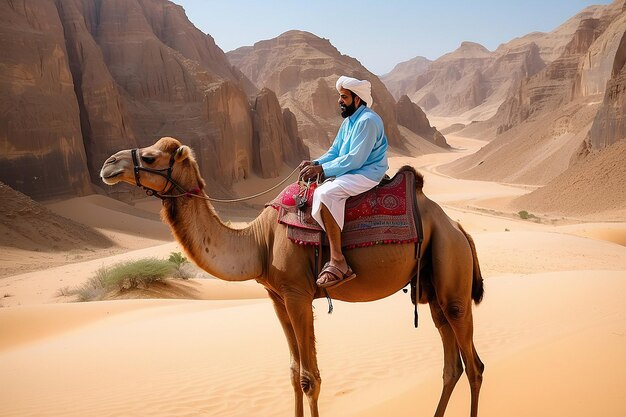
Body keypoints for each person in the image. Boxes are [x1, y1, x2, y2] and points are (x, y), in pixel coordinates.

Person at [299, 75, 388, 289]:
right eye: (340, 97)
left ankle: (338, 260)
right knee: (320, 190)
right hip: (354, 170)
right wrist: (316, 162)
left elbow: (355, 159)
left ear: (357, 100)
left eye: (344, 97)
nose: (340, 101)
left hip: (367, 172)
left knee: (326, 194)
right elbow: (336, 151)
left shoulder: (367, 121)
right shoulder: (350, 121)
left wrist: (322, 170)